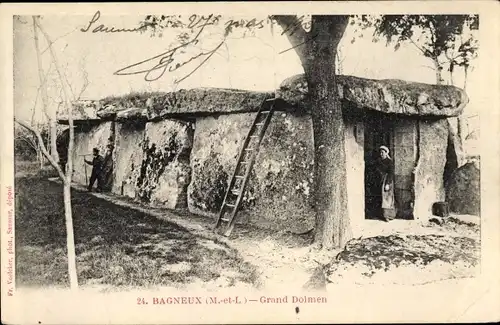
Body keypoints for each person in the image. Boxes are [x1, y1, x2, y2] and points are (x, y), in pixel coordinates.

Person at [376, 145, 396, 221]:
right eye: (380, 152)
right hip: (380, 181)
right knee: (380, 198)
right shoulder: (379, 161)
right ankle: (381, 215)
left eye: (383, 152)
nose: (381, 154)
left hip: (387, 181)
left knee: (387, 198)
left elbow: (391, 173)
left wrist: (387, 184)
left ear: (386, 153)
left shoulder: (389, 162)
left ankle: (388, 216)